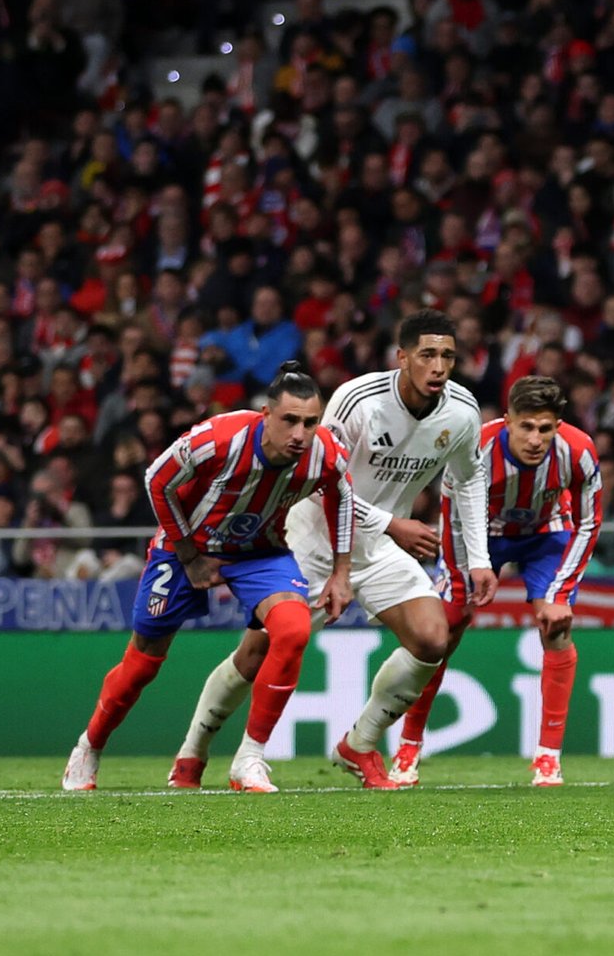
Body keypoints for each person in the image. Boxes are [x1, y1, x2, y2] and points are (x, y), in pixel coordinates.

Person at [169, 311, 499, 791]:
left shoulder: (462, 412)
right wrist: (392, 523)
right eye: (427, 354)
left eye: (447, 355)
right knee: (256, 655)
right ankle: (193, 752)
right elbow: (325, 481)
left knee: (433, 637)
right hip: (313, 539)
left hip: (380, 547)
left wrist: (480, 560)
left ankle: (359, 744)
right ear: (402, 357)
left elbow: (469, 482)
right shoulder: (357, 399)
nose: (439, 366)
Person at [62, 364, 354, 791]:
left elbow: (342, 496)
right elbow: (156, 480)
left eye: (310, 422)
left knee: (292, 631)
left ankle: (249, 759)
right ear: (265, 414)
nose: (300, 433)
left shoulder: (325, 453)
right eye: (290, 420)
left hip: (260, 550)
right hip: (187, 547)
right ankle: (90, 745)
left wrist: (341, 573)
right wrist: (188, 555)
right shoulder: (219, 437)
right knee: (142, 665)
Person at [391, 376, 602, 787]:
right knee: (445, 629)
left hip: (546, 534)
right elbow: (452, 514)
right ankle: (409, 746)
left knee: (555, 624)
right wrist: (462, 575)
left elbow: (590, 521)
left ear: (558, 426)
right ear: (508, 421)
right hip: (479, 534)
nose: (536, 438)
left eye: (545, 428)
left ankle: (547, 759)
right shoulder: (476, 450)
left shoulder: (579, 452)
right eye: (526, 426)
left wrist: (559, 594)